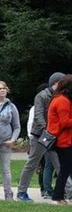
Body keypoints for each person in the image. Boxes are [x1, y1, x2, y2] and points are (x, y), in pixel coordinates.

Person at [15, 72, 65, 201]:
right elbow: (38, 116)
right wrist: (48, 131)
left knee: (59, 165)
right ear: (55, 83)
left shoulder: (60, 97)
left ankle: (67, 192)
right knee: (32, 163)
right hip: (40, 136)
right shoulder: (41, 96)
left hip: (53, 135)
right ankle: (21, 192)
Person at [47, 74, 72, 205]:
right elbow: (65, 122)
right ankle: (58, 196)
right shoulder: (63, 101)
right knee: (65, 170)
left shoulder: (59, 98)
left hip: (63, 140)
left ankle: (58, 196)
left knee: (65, 169)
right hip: (63, 141)